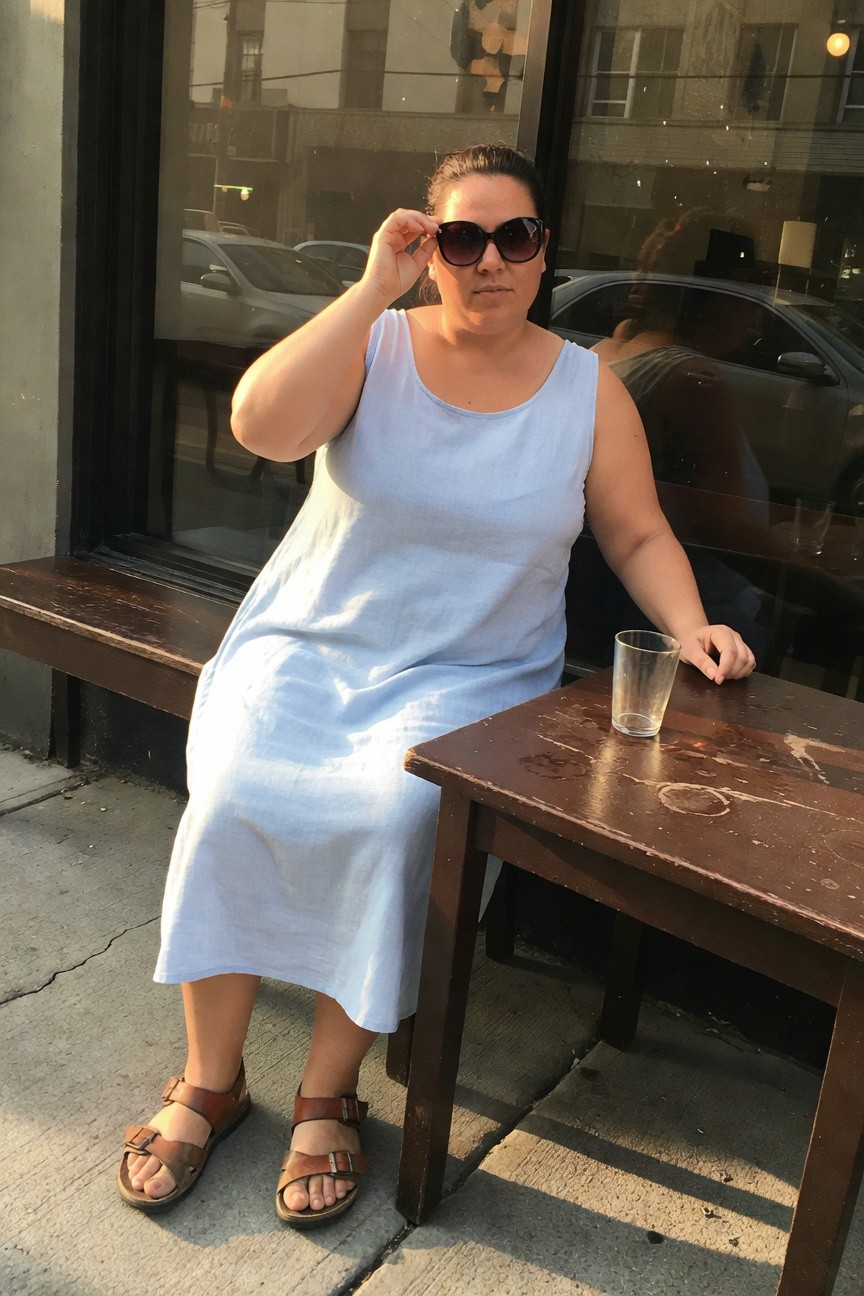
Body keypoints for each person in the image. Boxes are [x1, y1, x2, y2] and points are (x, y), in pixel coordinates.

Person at [117, 144, 755, 1228]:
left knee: (391, 812)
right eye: (462, 238)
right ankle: (210, 1081)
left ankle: (329, 1090)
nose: (490, 261)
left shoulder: (588, 389)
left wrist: (693, 627)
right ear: (429, 245)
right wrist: (372, 287)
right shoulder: (376, 343)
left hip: (467, 675)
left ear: (545, 251)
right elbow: (260, 426)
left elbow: (637, 527)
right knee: (234, 787)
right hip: (307, 645)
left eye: (516, 238)